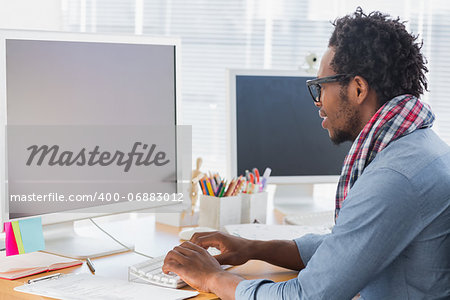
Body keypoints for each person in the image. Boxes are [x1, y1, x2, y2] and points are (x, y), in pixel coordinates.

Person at [162, 8, 450, 299]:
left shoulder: (393, 178)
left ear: (358, 89)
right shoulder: (420, 147)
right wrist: (253, 248)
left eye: (320, 87)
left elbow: (305, 296)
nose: (317, 102)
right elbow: (347, 247)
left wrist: (212, 277)